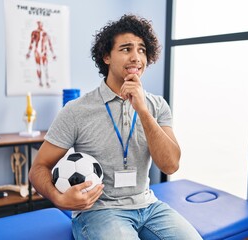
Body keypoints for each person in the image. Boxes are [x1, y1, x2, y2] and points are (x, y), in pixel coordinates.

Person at [29, 14, 202, 240]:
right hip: (100, 211)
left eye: (141, 50)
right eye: (126, 49)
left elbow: (170, 165)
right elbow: (38, 168)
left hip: (149, 206)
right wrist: (60, 199)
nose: (136, 57)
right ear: (106, 56)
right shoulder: (76, 110)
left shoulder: (157, 105)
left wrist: (142, 109)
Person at [26, 20, 56, 88]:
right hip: (37, 52)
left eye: (41, 24)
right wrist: (28, 53)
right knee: (38, 68)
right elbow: (31, 43)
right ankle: (40, 81)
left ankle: (47, 81)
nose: (40, 25)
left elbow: (50, 44)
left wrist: (53, 54)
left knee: (45, 68)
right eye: (39, 24)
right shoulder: (34, 32)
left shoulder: (45, 33)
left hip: (44, 52)